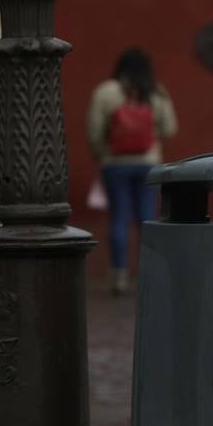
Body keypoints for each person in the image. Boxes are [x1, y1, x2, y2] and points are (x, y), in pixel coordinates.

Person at [87, 47, 178, 294]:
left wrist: (101, 153)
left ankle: (120, 276)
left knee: (119, 218)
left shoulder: (106, 91)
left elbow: (94, 131)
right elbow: (170, 128)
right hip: (149, 163)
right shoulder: (156, 91)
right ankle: (149, 274)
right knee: (148, 218)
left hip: (115, 164)